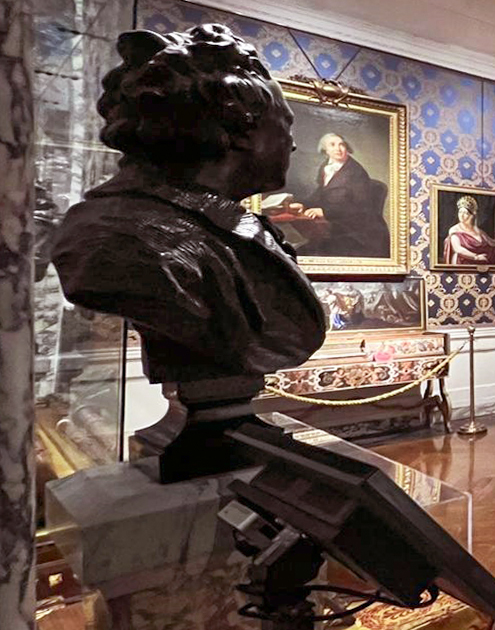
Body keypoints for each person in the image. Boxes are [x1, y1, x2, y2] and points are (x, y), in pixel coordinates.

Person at [52, 24, 326, 383]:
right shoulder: (119, 237)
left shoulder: (223, 220)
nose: (291, 144)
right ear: (241, 124)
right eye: (286, 124)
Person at [288, 132, 390, 257]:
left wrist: (325, 212)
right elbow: (321, 194)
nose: (338, 148)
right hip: (337, 227)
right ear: (325, 150)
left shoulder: (356, 172)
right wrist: (302, 204)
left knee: (307, 253)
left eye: (342, 145)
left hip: (359, 234)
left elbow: (360, 207)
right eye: (332, 145)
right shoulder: (327, 167)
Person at [443, 194, 495, 265]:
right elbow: (457, 249)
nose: (461, 215)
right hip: (462, 263)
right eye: (460, 212)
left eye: (465, 213)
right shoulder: (454, 230)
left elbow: (490, 244)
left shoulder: (478, 231)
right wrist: (476, 257)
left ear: (472, 216)